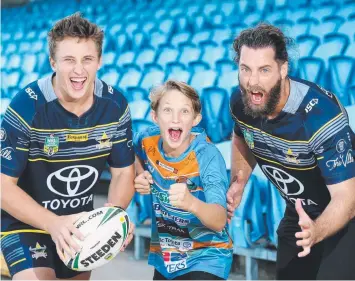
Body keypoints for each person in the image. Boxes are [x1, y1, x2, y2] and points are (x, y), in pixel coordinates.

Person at [0, 13, 135, 280]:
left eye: (87, 59)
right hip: (27, 222)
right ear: (53, 62)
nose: (78, 70)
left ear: (99, 61)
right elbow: (3, 187)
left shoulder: (116, 106)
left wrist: (113, 216)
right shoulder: (27, 106)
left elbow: (123, 173)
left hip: (80, 224)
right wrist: (53, 223)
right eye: (68, 60)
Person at [227, 23, 355, 280]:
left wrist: (315, 232)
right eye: (245, 69)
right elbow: (241, 137)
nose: (252, 81)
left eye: (264, 70)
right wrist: (239, 181)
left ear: (283, 68)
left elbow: (347, 200)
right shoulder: (243, 104)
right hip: (299, 213)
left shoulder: (319, 116)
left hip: (346, 216)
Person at [133, 80, 233, 280]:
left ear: (196, 119)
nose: (176, 119)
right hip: (167, 257)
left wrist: (192, 203)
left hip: (206, 256)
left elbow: (220, 219)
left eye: (184, 112)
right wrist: (139, 174)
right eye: (167, 110)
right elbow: (126, 151)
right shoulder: (147, 140)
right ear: (155, 116)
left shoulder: (208, 155)